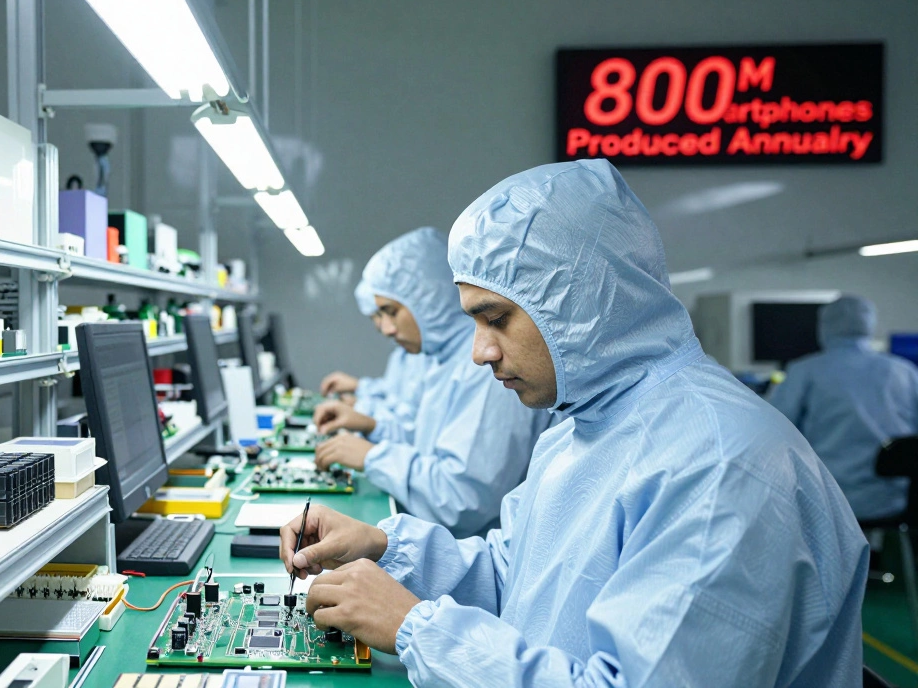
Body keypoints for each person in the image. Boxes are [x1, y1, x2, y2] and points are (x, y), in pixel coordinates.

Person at [281, 160, 867, 687]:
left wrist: (415, 627)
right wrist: (387, 547)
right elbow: (518, 579)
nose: (479, 353)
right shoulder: (581, 423)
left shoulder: (720, 466)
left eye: (497, 319)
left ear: (579, 299)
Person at [310, 227, 552, 539]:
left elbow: (461, 499)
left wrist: (372, 456)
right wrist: (371, 426)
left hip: (460, 550)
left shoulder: (487, 369)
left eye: (390, 311)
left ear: (427, 297)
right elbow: (420, 438)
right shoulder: (444, 360)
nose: (384, 328)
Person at [769, 295, 918, 521]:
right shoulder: (904, 371)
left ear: (824, 327)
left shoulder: (805, 372)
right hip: (894, 501)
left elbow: (773, 429)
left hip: (827, 499)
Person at [319, 279, 428, 425]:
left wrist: (362, 408)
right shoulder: (402, 354)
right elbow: (391, 392)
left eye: (387, 312)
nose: (384, 328)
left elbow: (408, 422)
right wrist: (359, 387)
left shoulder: (425, 356)